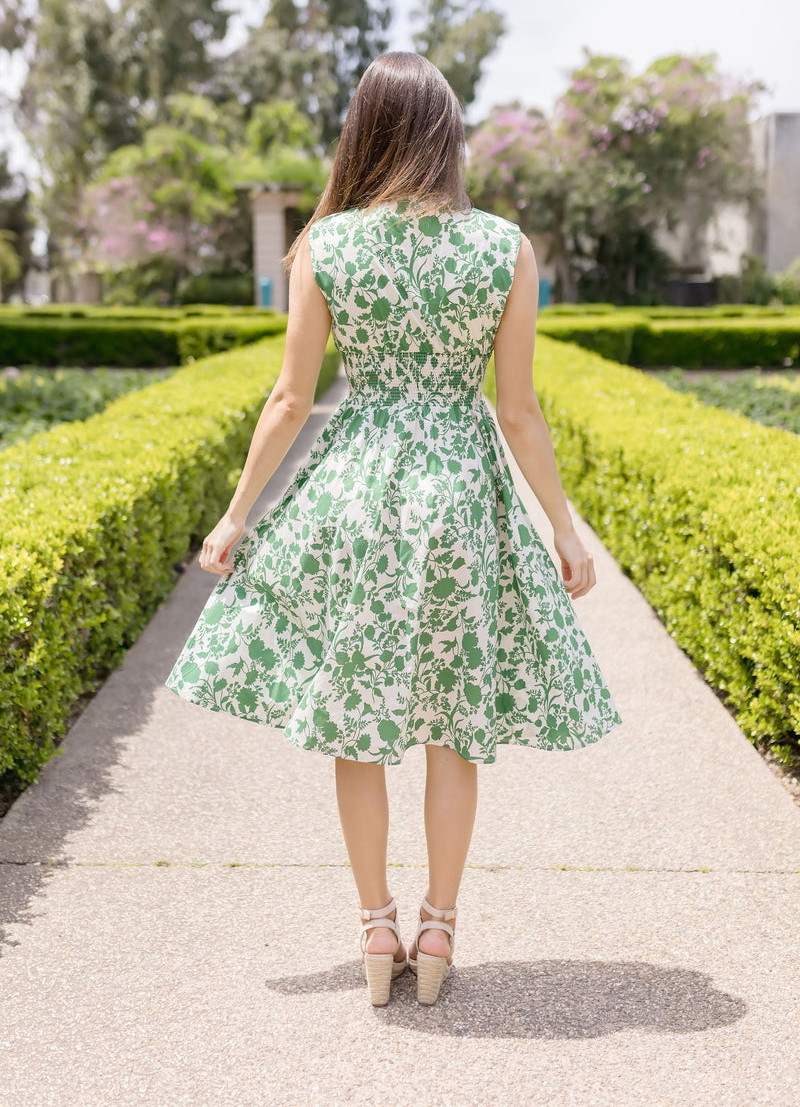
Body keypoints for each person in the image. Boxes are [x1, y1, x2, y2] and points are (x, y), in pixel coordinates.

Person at [164, 51, 622, 1008]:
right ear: (446, 134)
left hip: (357, 498)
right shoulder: (505, 246)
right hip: (461, 497)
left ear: (363, 131)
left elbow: (292, 399)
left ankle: (376, 930)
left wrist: (237, 514)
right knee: (454, 723)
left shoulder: (324, 246)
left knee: (359, 719)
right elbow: (519, 413)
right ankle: (440, 931)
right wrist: (566, 533)